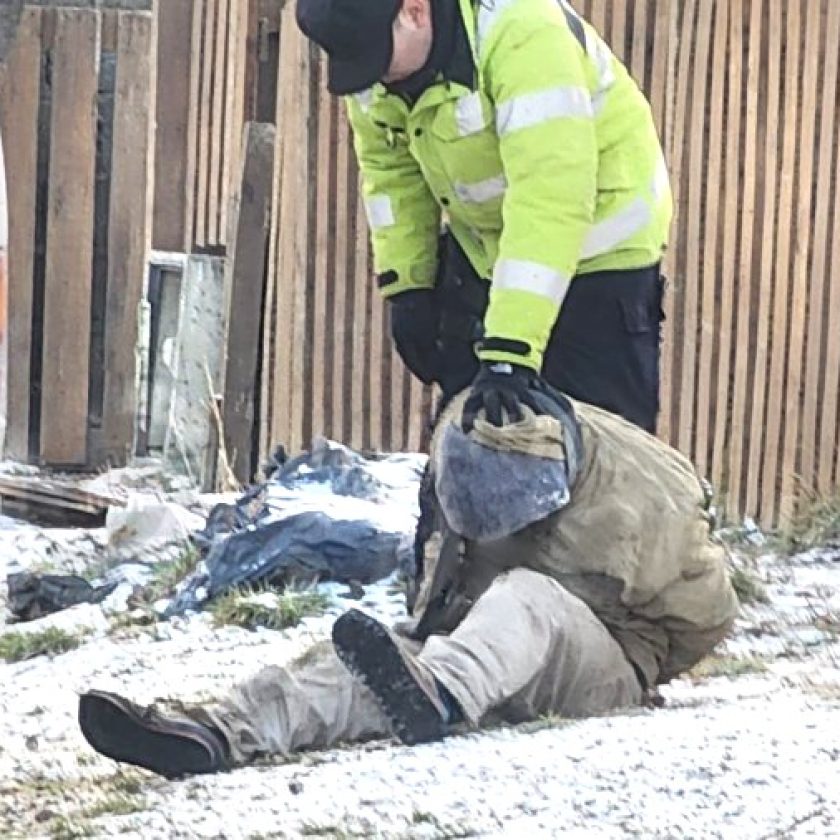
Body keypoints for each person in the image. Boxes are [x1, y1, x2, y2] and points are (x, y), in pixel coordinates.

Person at [78, 387, 738, 778]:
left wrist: (631, 664)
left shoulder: (646, 494)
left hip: (601, 668)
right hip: (474, 656)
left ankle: (441, 691)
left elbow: (705, 618)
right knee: (371, 668)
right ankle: (219, 731)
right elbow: (440, 591)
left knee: (526, 598)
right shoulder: (469, 443)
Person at [295, 0, 673, 432]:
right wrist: (408, 284)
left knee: (600, 459)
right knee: (472, 437)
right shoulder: (373, 59)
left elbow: (550, 197)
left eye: (378, 56)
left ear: (415, 11)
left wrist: (509, 350)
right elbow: (391, 172)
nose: (375, 77)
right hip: (489, 247)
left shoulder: (523, 34)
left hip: (600, 251)